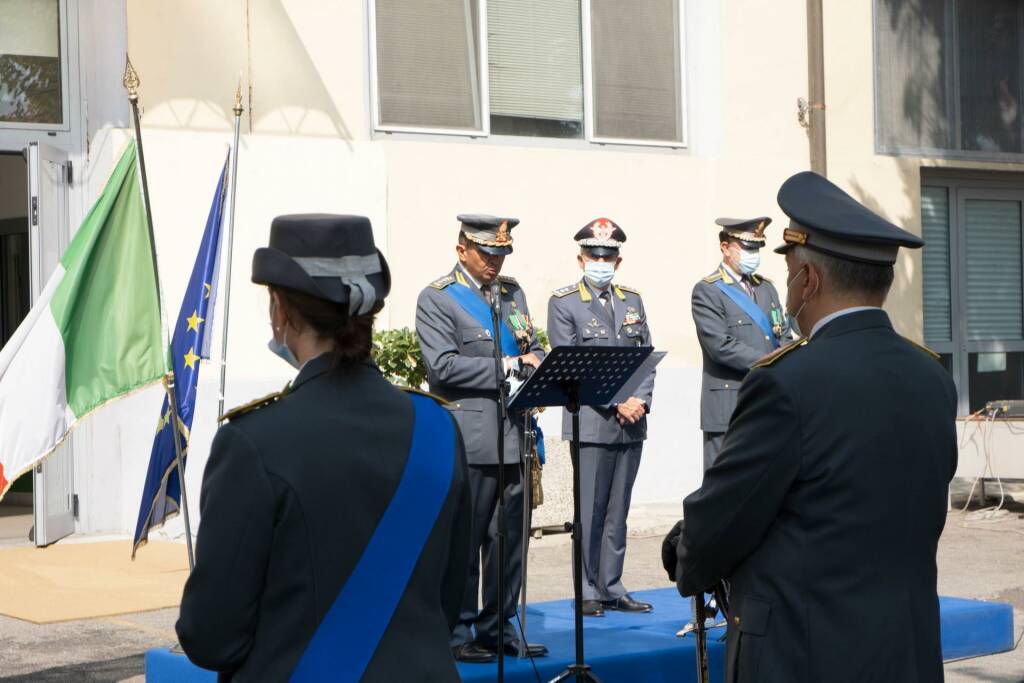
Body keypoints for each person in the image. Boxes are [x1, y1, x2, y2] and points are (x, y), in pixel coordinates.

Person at [663, 172, 958, 683]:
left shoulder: (785, 382)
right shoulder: (931, 374)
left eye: (792, 272)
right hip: (904, 649)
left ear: (809, 281)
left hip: (805, 652)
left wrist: (684, 552)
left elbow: (724, 520)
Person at [176, 214, 472, 682]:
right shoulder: (438, 428)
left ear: (281, 311)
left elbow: (211, 636)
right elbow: (450, 600)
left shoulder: (253, 441)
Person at [415, 214, 548, 662]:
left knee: (509, 542)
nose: (494, 262)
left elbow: (530, 343)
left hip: (516, 434)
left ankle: (498, 625)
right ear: (462, 250)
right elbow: (443, 367)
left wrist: (538, 362)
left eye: (501, 253)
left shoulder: (512, 293)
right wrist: (510, 367)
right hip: (471, 438)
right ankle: (456, 630)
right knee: (464, 543)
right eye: (486, 253)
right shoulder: (438, 299)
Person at [547, 217, 656, 617]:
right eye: (594, 255)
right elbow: (571, 364)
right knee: (590, 512)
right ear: (581, 258)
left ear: (618, 260)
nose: (600, 261)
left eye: (607, 256)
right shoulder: (564, 302)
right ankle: (588, 588)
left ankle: (612, 584)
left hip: (632, 422)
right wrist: (617, 403)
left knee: (618, 511)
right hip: (592, 422)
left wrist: (639, 400)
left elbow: (646, 358)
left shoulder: (633, 300)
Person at [692, 217, 791, 471]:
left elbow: (783, 333)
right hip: (729, 403)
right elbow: (720, 345)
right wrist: (771, 362)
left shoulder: (766, 288)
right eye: (747, 248)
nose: (753, 255)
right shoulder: (708, 291)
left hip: (766, 401)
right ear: (725, 248)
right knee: (723, 487)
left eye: (756, 248)